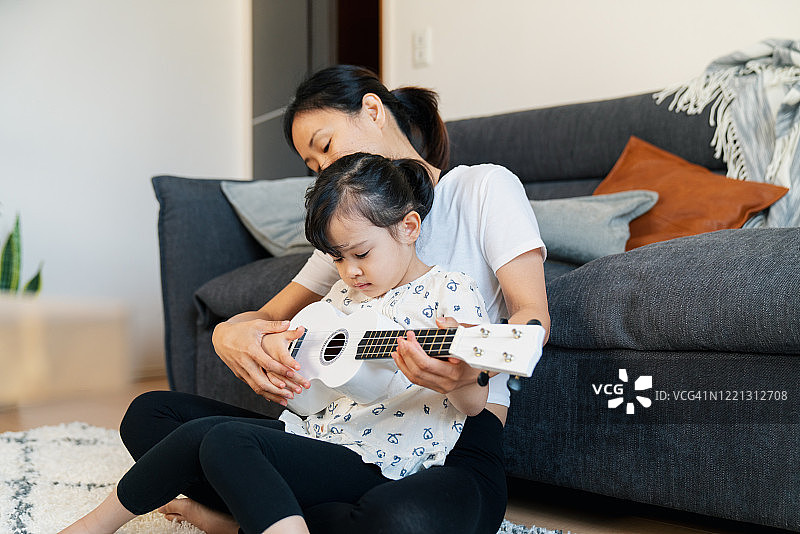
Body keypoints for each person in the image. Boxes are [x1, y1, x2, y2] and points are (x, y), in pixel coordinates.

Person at [77, 65, 550, 534]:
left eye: (324, 147)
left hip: (449, 435)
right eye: (313, 166)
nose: (324, 169)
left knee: (396, 519)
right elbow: (265, 318)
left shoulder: (481, 188)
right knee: (151, 417)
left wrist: (474, 371)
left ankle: (248, 515)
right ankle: (276, 510)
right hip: (343, 428)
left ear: (372, 110)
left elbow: (531, 317)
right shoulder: (346, 244)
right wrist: (230, 337)